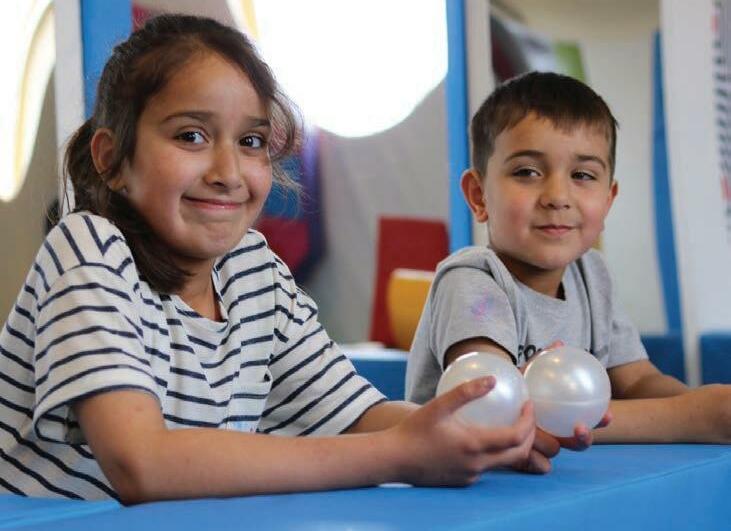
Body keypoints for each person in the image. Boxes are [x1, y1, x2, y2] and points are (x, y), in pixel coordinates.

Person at [0, 14, 540, 503]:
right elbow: (141, 463)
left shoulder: (254, 272)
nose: (228, 172)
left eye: (252, 142)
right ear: (112, 158)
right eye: (191, 135)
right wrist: (400, 454)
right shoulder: (90, 248)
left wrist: (481, 430)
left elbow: (359, 416)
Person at [405, 72, 731, 469]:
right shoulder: (473, 280)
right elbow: (495, 407)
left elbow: (638, 381)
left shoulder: (592, 275)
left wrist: (705, 404)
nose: (557, 197)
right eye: (527, 172)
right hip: (468, 485)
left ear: (608, 200)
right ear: (479, 196)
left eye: (582, 175)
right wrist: (689, 418)